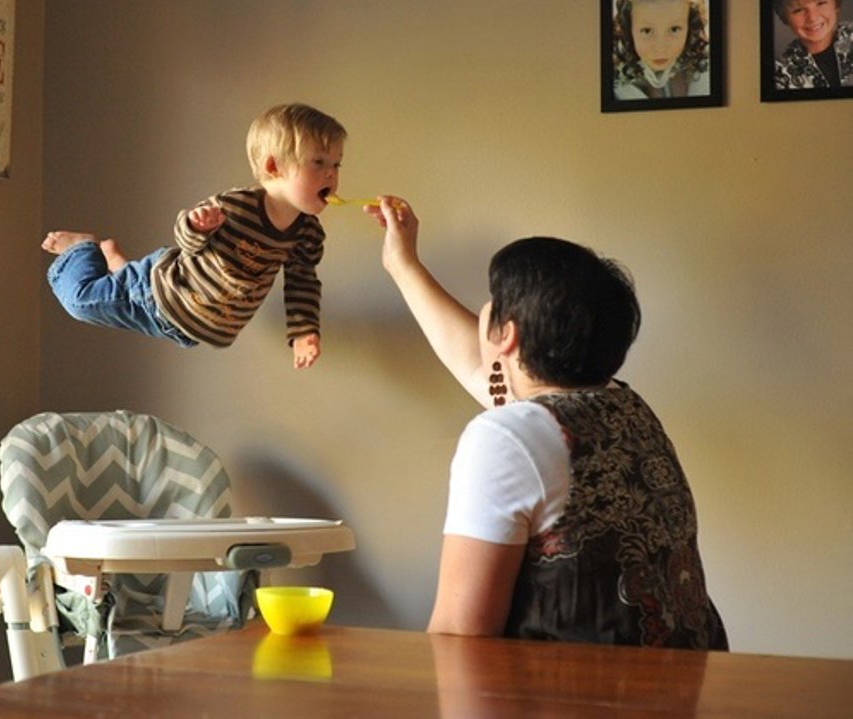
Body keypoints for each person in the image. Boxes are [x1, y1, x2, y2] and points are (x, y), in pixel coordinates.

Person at [364, 197, 728, 650]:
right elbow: (486, 370)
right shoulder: (623, 406)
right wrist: (402, 265)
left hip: (578, 688)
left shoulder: (505, 439)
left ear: (508, 334)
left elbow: (461, 634)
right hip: (683, 683)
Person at [42, 103, 345, 369]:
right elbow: (185, 242)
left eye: (336, 164)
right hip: (160, 292)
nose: (331, 174)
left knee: (121, 298)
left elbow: (302, 282)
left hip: (183, 327)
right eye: (319, 162)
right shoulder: (236, 206)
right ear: (273, 166)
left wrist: (304, 332)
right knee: (81, 302)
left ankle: (118, 264)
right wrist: (197, 227)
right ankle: (82, 248)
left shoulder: (307, 233)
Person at [612, 0, 711, 99]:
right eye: (647, 31)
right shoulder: (611, 78)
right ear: (628, 29)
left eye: (674, 29)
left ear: (690, 27)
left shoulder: (707, 68)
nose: (660, 47)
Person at [771, 0, 853, 89]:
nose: (812, 18)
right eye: (798, 10)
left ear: (836, 6)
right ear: (786, 19)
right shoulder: (780, 73)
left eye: (821, 3)